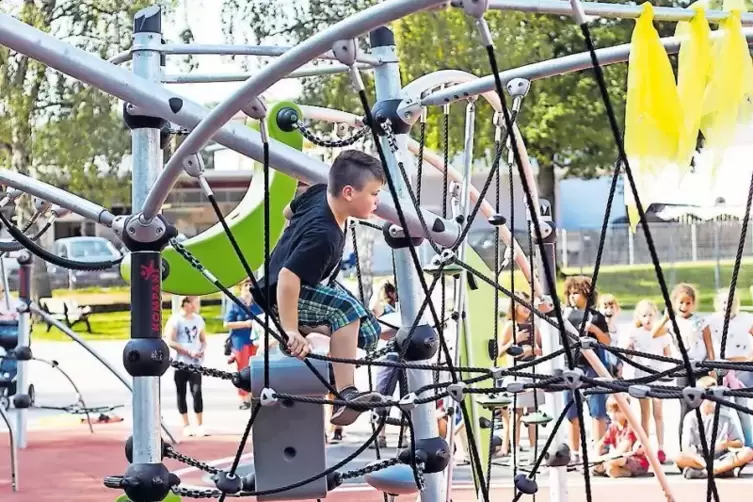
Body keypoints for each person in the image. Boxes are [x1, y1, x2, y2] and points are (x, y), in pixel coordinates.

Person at [254, 150, 387, 427]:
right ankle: (345, 393)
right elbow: (289, 277)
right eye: (374, 194)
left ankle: (326, 331)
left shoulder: (318, 192)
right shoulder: (323, 234)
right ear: (349, 192)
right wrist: (290, 328)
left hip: (302, 283)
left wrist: (288, 241)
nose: (378, 201)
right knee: (346, 310)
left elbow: (287, 212)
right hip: (283, 291)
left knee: (369, 332)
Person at [561, 275, 612, 466]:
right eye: (571, 293)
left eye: (577, 293)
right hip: (572, 366)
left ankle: (598, 451)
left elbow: (607, 341)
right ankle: (575, 452)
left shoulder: (596, 316)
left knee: (597, 411)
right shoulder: (565, 315)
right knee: (572, 412)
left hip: (593, 367)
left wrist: (594, 330)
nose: (573, 297)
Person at [622, 299, 672, 464]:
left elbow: (668, 354)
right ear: (639, 317)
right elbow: (628, 353)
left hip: (657, 374)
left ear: (655, 315)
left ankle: (661, 447)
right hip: (641, 375)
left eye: (650, 315)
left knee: (658, 411)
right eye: (644, 315)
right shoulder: (635, 333)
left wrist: (670, 368)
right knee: (645, 413)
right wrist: (628, 350)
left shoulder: (662, 333)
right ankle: (645, 446)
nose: (648, 319)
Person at [666, 283, 715, 446]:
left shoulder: (701, 321)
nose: (684, 306)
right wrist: (666, 317)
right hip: (682, 369)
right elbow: (655, 333)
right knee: (685, 407)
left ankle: (703, 444)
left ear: (693, 304)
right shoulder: (672, 322)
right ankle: (684, 446)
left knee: (703, 405)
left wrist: (712, 368)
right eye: (680, 302)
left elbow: (709, 346)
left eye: (688, 303)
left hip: (700, 367)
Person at [676, 376, 753, 479]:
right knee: (679, 458)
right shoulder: (691, 417)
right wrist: (705, 463)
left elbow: (739, 443)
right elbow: (686, 448)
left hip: (722, 456)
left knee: (747, 452)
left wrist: (725, 444)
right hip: (701, 458)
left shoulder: (726, 416)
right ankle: (719, 470)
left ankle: (708, 472)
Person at [496, 292, 542, 456]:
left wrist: (535, 350)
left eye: (528, 305)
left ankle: (533, 450)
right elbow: (499, 352)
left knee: (533, 413)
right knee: (516, 413)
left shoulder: (534, 326)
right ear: (514, 307)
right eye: (522, 305)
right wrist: (514, 339)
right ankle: (514, 450)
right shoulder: (510, 325)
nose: (526, 308)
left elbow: (542, 349)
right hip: (515, 371)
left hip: (531, 370)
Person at [707, 288, 753, 447]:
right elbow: (704, 337)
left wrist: (750, 357)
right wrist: (711, 360)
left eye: (730, 302)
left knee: (742, 408)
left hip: (740, 366)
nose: (727, 305)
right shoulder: (713, 320)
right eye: (724, 302)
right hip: (722, 365)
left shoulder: (745, 319)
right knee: (721, 408)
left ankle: (750, 444)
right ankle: (721, 443)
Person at [166, 296, 209, 437]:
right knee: (181, 392)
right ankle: (186, 424)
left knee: (197, 392)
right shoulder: (176, 320)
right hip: (180, 362)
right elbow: (170, 340)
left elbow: (203, 340)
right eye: (194, 302)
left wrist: (201, 350)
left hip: (195, 363)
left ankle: (200, 424)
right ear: (186, 304)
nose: (196, 305)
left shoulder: (198, 320)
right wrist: (187, 351)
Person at [368, 280, 403, 449]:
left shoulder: (407, 310)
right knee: (382, 395)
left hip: (406, 355)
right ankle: (380, 435)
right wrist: (380, 286)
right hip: (389, 355)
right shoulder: (386, 310)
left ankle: (404, 435)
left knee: (406, 395)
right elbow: (372, 310)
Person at [224, 279, 262, 410]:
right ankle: (243, 398)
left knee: (256, 367)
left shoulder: (257, 303)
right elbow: (227, 323)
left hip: (256, 340)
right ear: (240, 288)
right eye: (245, 285)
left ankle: (254, 395)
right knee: (243, 368)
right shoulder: (235, 303)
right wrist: (246, 324)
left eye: (250, 285)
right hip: (240, 340)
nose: (248, 287)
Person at [592, 395, 649, 478]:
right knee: (609, 469)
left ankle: (619, 470)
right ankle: (619, 471)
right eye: (611, 411)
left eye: (618, 411)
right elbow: (600, 444)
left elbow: (621, 450)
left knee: (615, 460)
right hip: (622, 460)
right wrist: (597, 457)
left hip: (638, 461)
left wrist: (603, 459)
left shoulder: (630, 427)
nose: (614, 415)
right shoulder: (613, 427)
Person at [598, 293, 623, 377]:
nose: (609, 310)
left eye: (612, 307)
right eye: (605, 307)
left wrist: (620, 363)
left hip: (614, 364)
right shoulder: (597, 328)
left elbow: (617, 348)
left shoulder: (617, 328)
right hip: (602, 364)